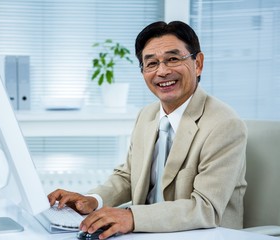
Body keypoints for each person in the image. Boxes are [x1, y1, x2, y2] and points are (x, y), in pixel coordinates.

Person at [48, 20, 247, 239]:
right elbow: (128, 176)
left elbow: (206, 208)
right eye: (151, 63)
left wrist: (132, 217)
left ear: (197, 63)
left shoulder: (224, 124)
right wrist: (93, 200)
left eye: (173, 59)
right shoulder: (147, 115)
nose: (162, 71)